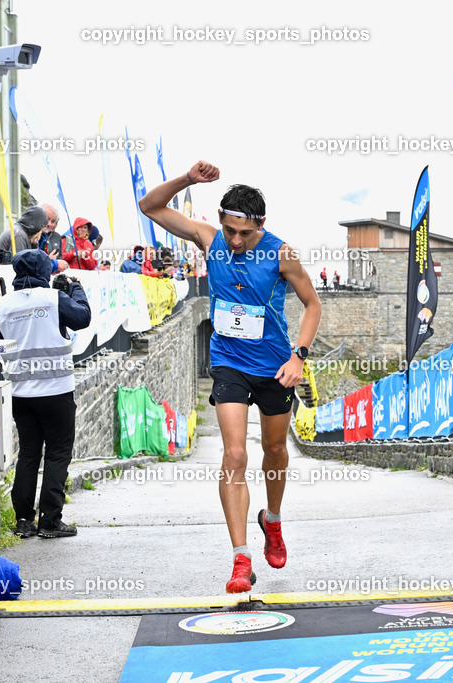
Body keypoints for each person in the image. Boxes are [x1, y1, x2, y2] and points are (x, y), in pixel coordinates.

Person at [139, 160, 321, 593]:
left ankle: (271, 521)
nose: (236, 241)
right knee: (235, 456)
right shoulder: (210, 238)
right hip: (229, 363)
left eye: (246, 233)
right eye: (230, 231)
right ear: (220, 222)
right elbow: (149, 206)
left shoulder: (281, 253)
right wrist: (187, 180)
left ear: (261, 225)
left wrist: (299, 356)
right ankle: (241, 558)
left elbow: (313, 305)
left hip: (276, 366)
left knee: (275, 450)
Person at [0, 250, 91, 539]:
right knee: (58, 454)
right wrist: (75, 288)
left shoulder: (1, 305)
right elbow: (82, 319)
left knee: (28, 453)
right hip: (57, 391)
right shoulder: (53, 299)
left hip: (21, 393)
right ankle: (50, 520)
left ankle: (24, 520)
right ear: (45, 270)